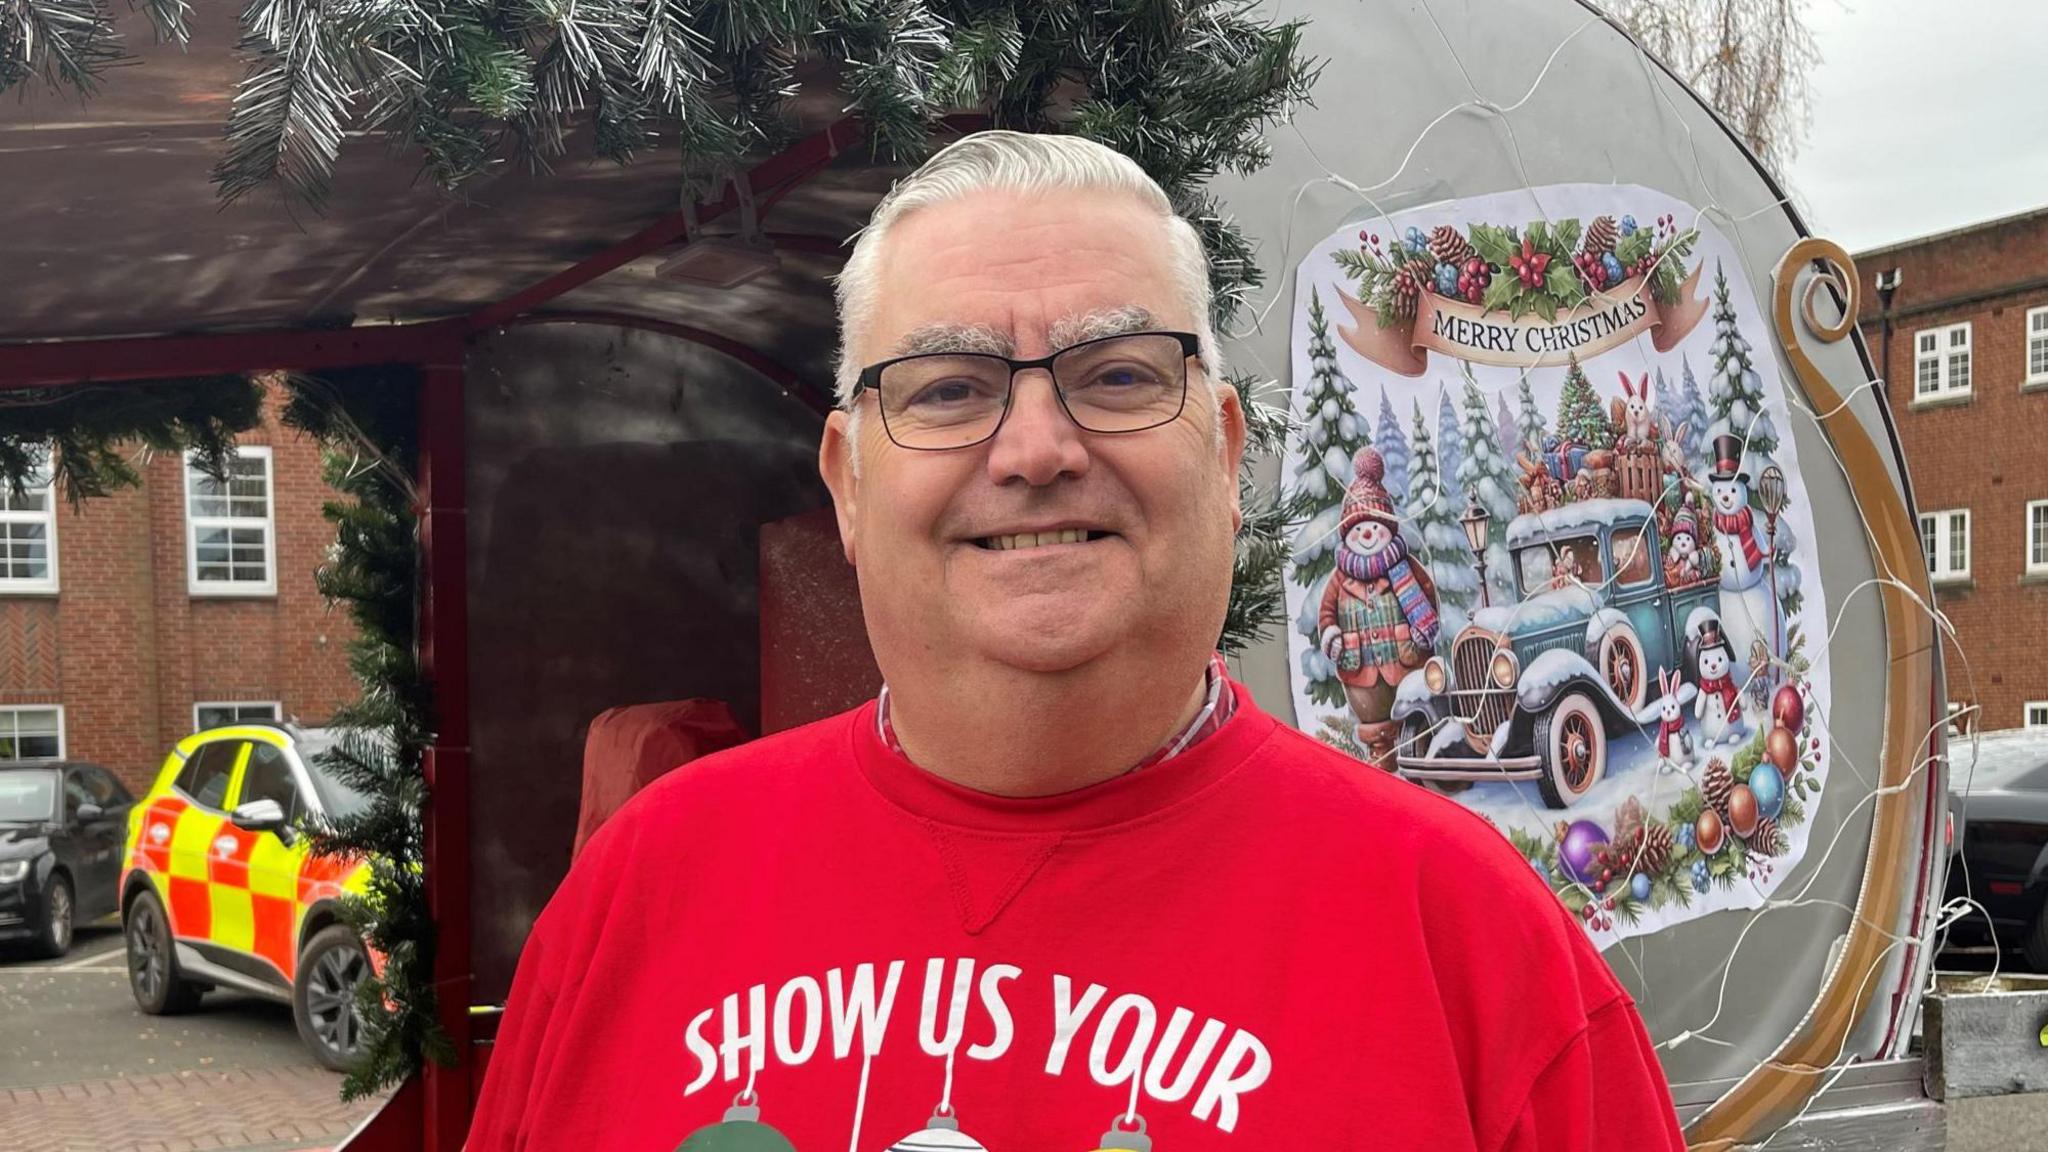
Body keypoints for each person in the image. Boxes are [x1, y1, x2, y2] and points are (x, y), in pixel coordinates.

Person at [467, 130, 1686, 1151]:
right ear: (846, 481)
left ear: (1221, 454)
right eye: (946, 388)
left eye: (1113, 375)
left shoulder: (1474, 954)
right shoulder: (637, 899)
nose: (1035, 447)